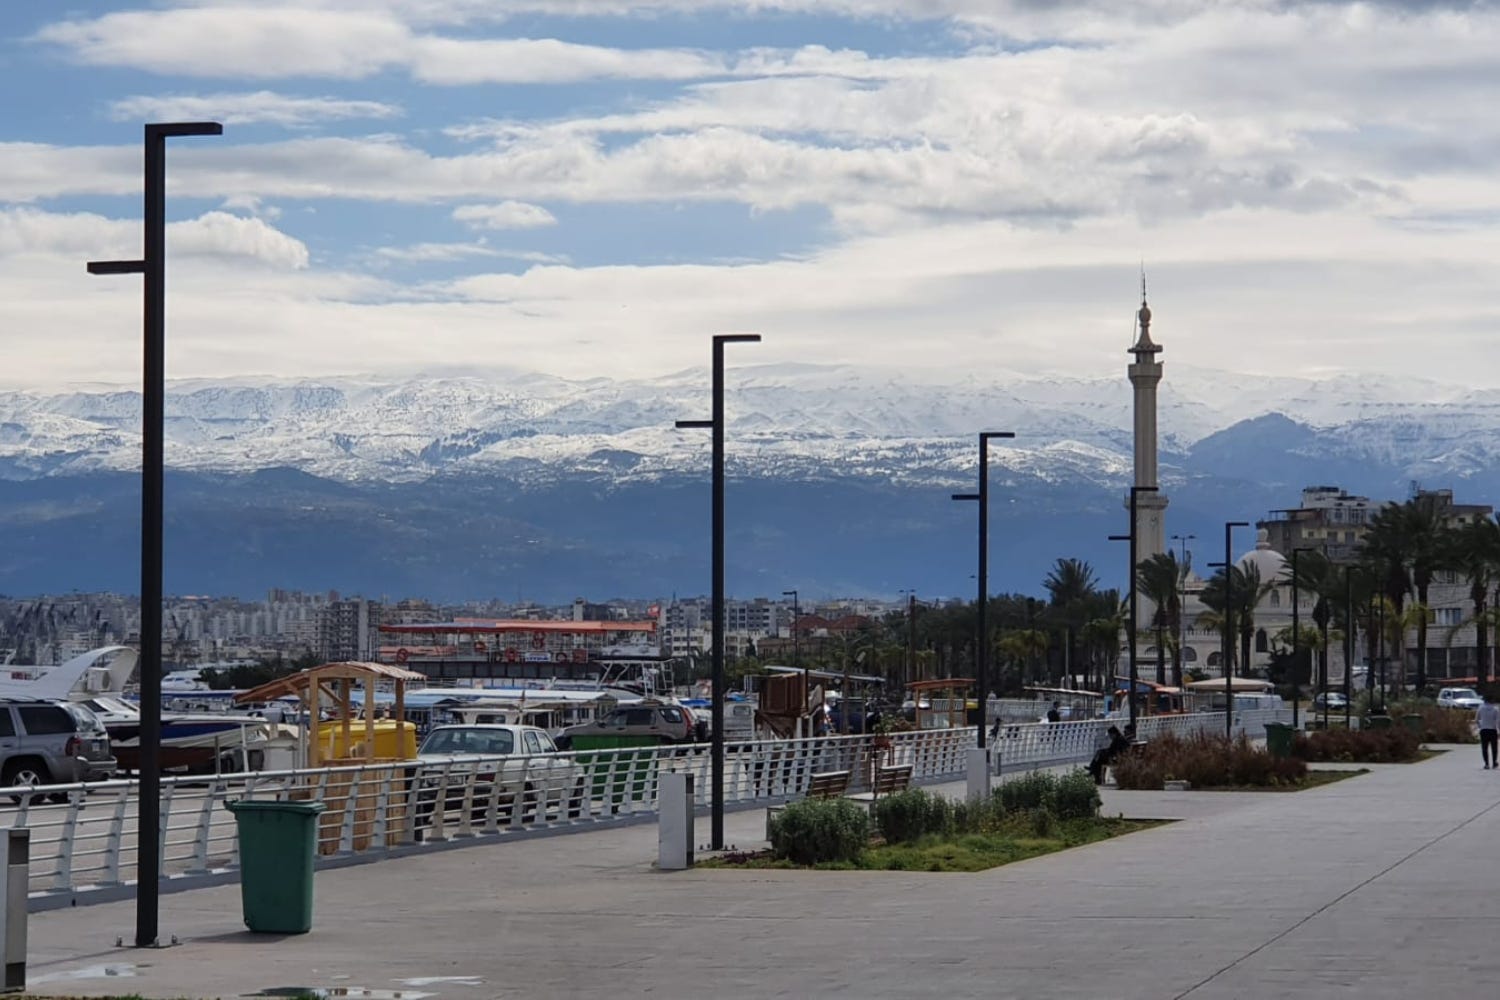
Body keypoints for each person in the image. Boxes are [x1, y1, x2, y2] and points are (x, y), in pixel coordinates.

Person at [1478, 693, 1499, 769]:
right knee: (1494, 748)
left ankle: (1486, 764)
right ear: (1492, 700)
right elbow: (1498, 721)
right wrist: (1499, 731)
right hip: (1493, 730)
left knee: (1484, 748)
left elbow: (1477, 719)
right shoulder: (1495, 709)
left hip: (1484, 730)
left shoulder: (1481, 708)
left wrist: (1480, 726)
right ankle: (1494, 763)